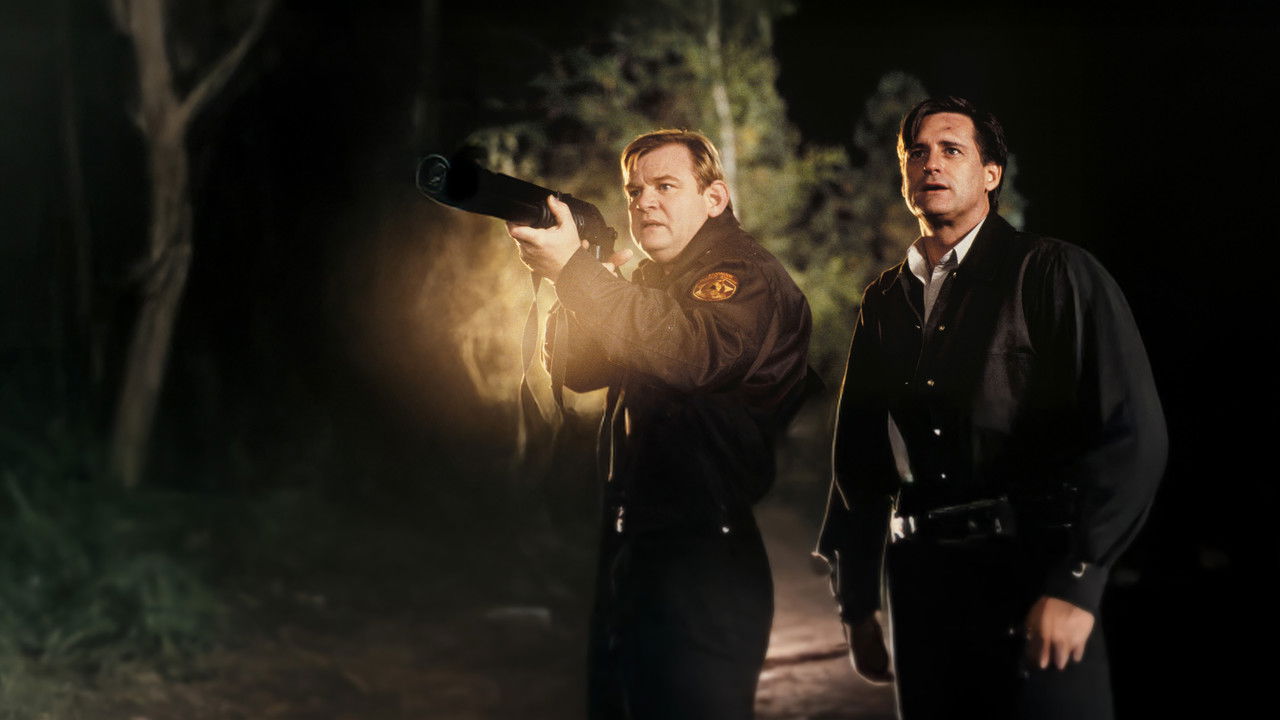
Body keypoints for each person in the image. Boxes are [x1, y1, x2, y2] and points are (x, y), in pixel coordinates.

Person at [816, 97, 1167, 719]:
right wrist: (858, 600)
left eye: (951, 149)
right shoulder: (884, 300)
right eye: (916, 152)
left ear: (990, 173)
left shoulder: (1054, 272)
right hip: (924, 591)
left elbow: (1131, 431)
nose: (931, 163)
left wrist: (1080, 579)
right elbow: (859, 459)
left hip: (1032, 577)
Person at [507, 129, 812, 720]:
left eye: (665, 186)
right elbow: (579, 371)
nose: (644, 201)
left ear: (715, 198)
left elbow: (690, 354)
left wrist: (579, 275)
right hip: (639, 551)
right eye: (634, 191)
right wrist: (579, 279)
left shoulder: (743, 275)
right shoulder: (655, 283)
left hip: (703, 562)